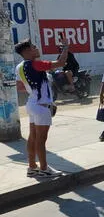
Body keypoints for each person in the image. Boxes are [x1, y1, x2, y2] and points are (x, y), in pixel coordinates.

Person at [15, 37, 70, 177]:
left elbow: (20, 87)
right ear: (27, 51)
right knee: (41, 139)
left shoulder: (20, 66)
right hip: (41, 106)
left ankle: (32, 167)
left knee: (33, 137)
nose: (36, 48)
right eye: (34, 47)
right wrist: (65, 47)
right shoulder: (35, 64)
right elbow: (61, 62)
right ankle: (44, 168)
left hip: (32, 103)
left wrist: (34, 88)